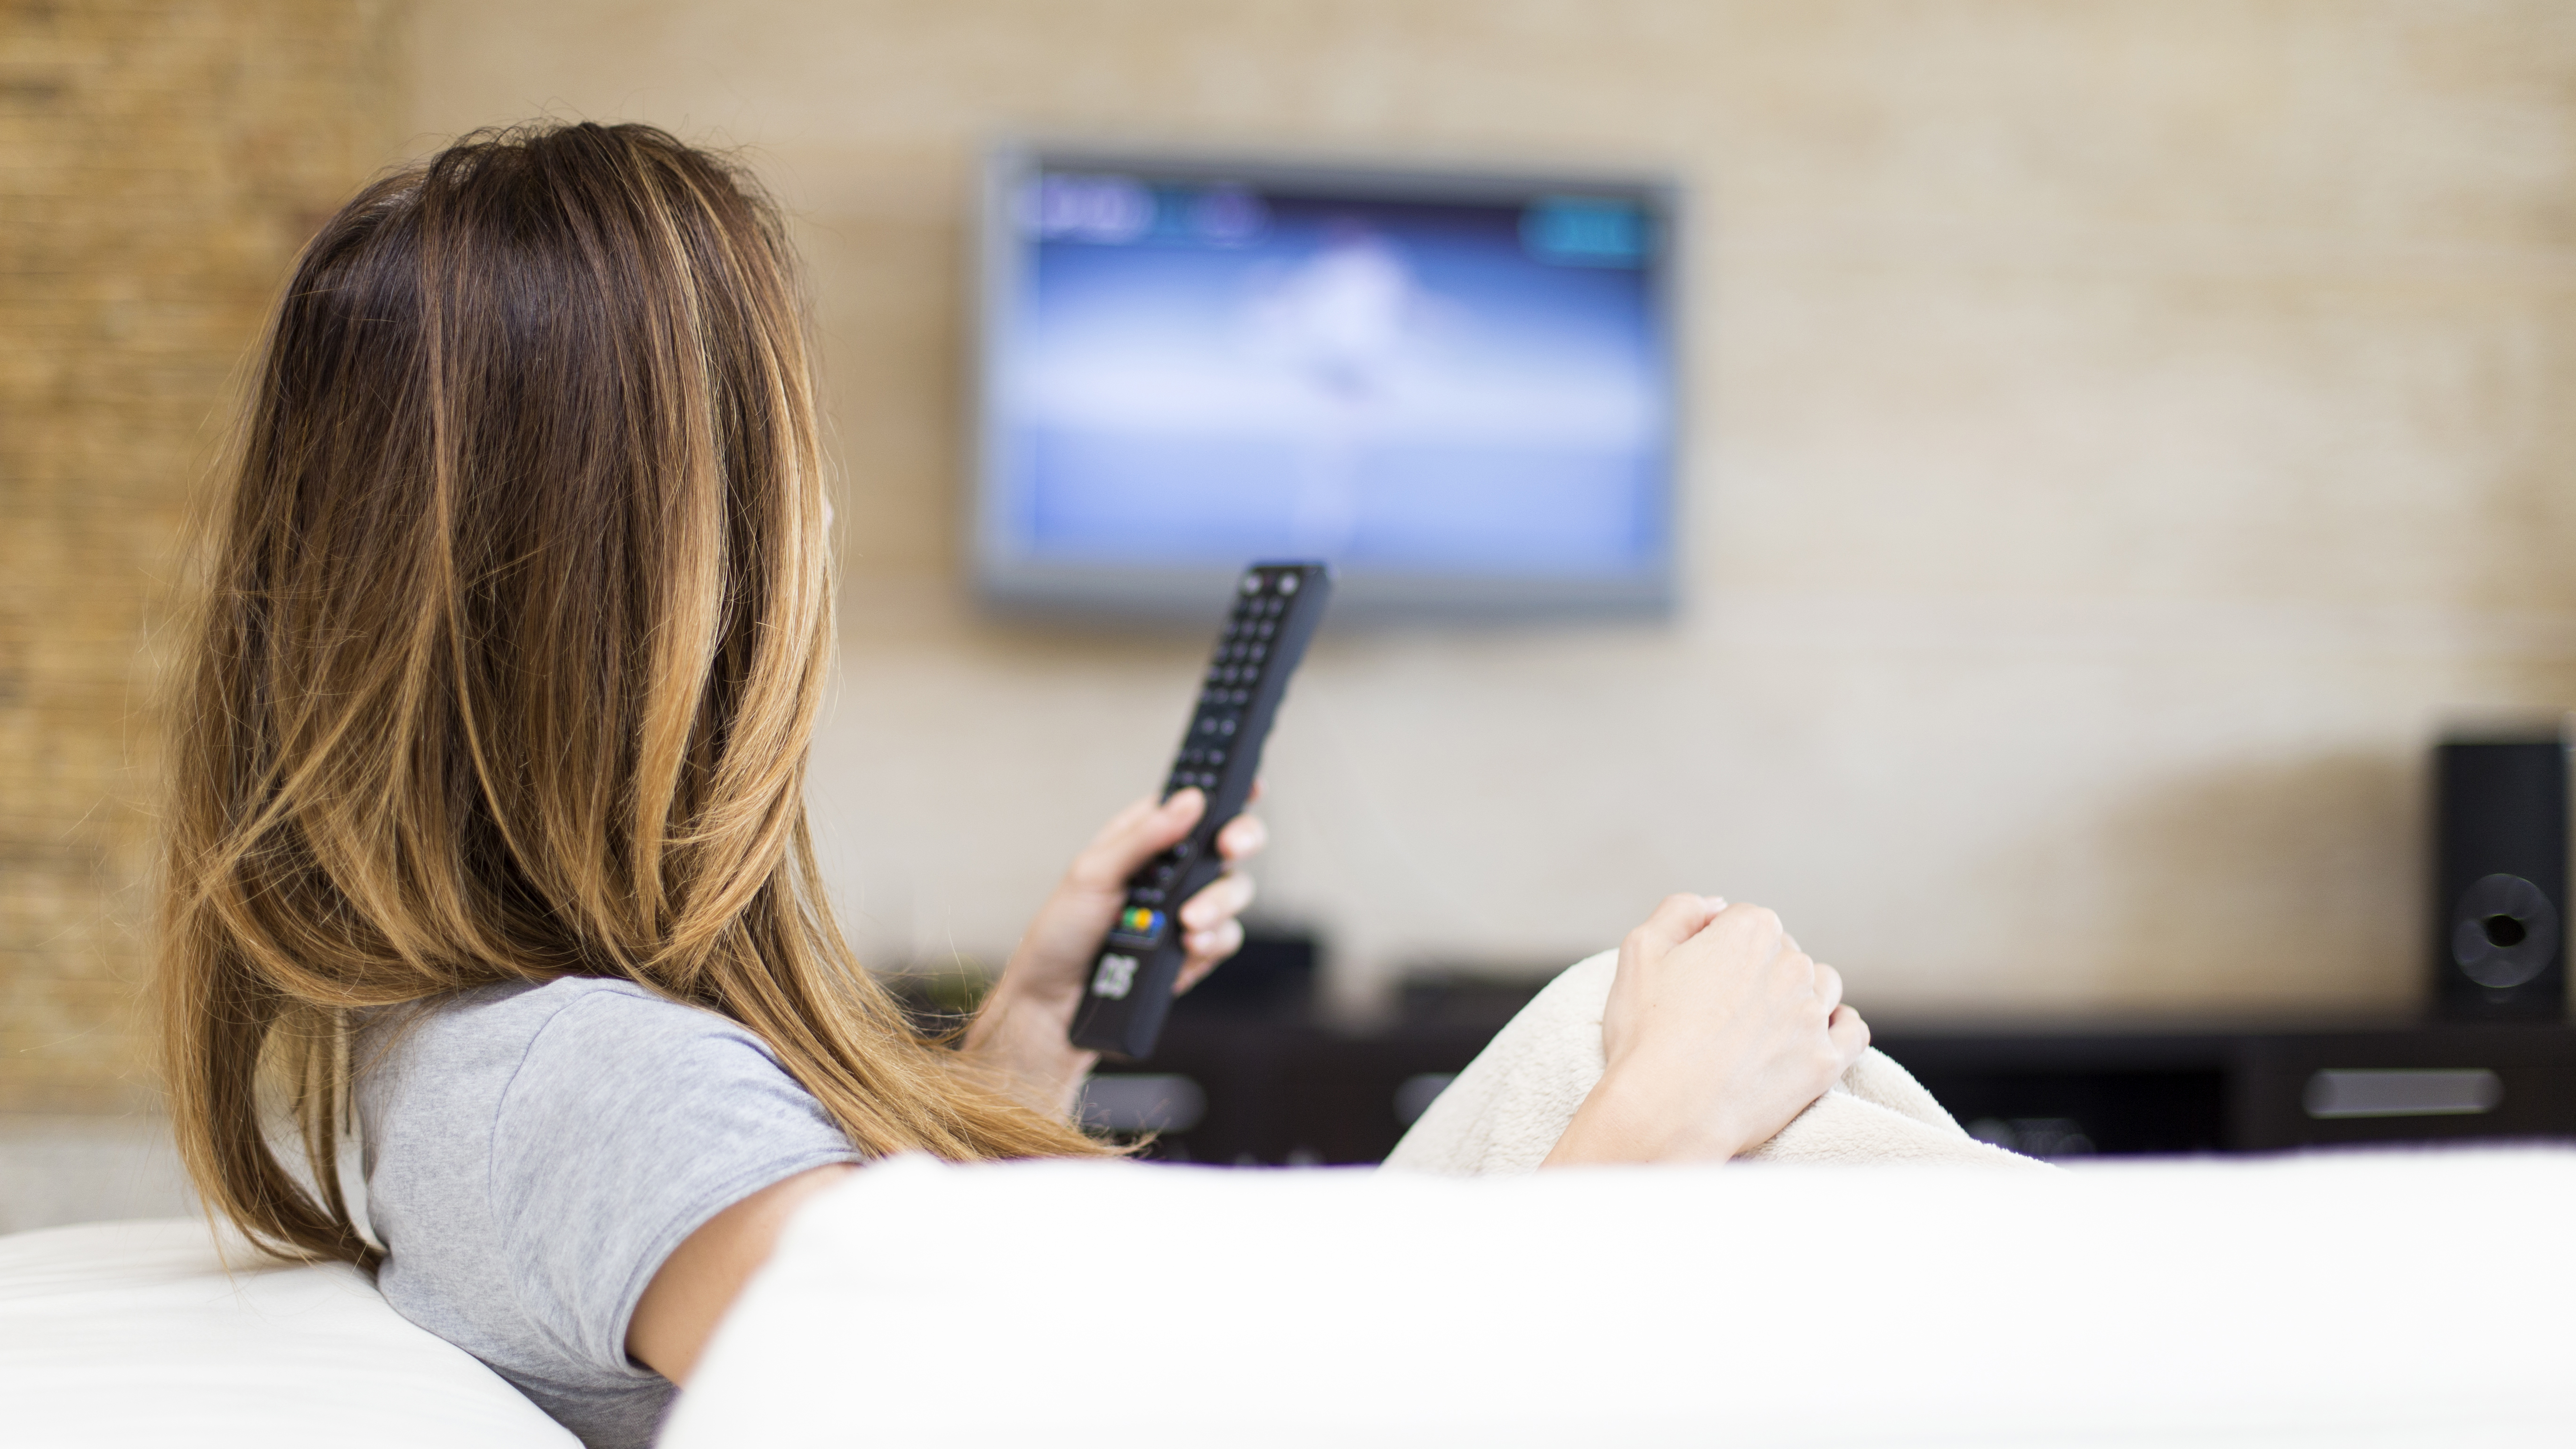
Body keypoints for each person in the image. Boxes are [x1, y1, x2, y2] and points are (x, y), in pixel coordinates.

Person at [158, 121, 1870, 1449]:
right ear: (666, 579)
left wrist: (1032, 1036)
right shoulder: (592, 1085)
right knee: (1690, 1057)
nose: (824, 532)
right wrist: (1651, 1132)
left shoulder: (497, 1048)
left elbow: (924, 1336)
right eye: (789, 472)